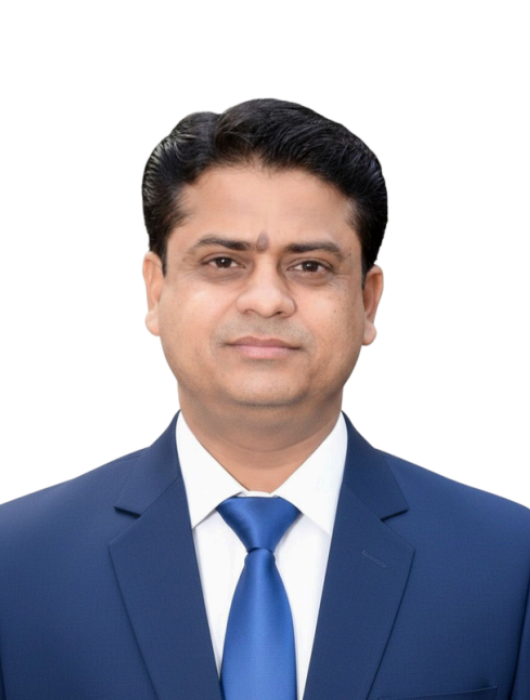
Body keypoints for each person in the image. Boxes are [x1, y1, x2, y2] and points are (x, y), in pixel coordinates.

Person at [0, 99, 528, 700]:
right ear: (156, 289)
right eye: (224, 262)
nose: (267, 299)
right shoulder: (18, 564)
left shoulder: (507, 563)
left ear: (367, 301)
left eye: (310, 266)